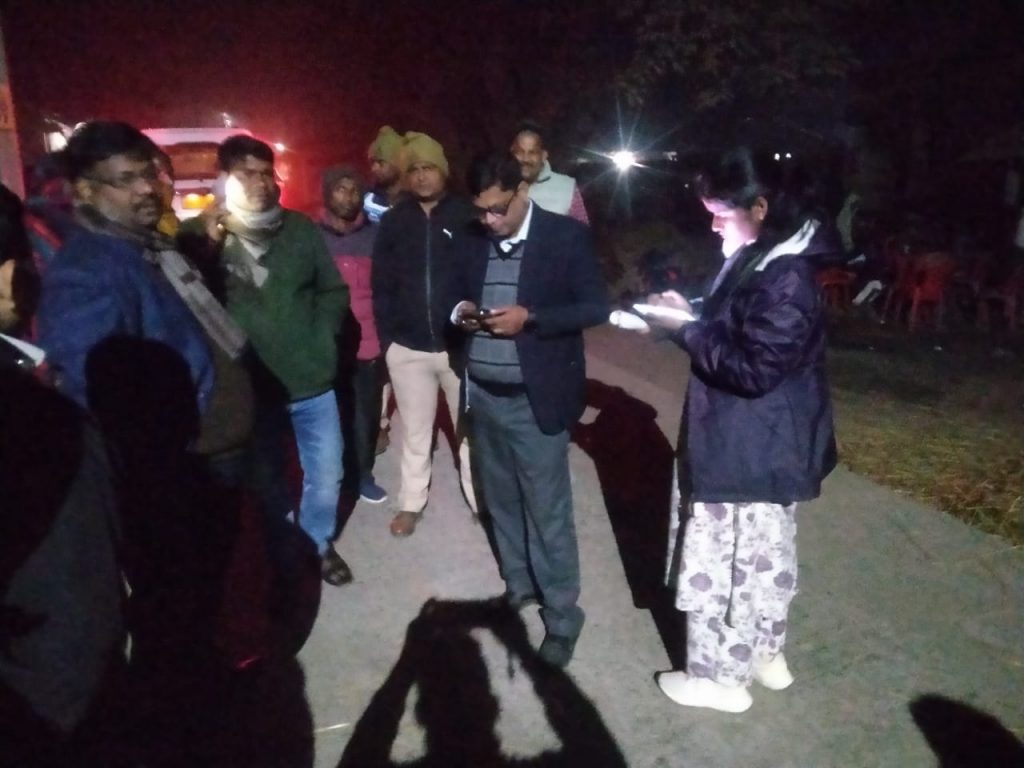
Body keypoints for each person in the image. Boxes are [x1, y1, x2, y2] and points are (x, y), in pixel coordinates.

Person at [639, 147, 838, 713]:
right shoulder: (766, 254)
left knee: (728, 566)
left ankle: (720, 680)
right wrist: (689, 313)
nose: (713, 224)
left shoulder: (787, 273)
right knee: (760, 560)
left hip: (748, 447)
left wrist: (686, 330)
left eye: (720, 213)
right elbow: (737, 322)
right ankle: (764, 655)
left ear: (760, 207)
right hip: (756, 443)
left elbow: (755, 368)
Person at [451, 151, 609, 667]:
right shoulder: (474, 237)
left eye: (498, 209)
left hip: (534, 400)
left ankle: (562, 617)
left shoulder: (565, 237)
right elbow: (454, 292)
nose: (489, 220)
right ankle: (519, 584)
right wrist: (461, 310)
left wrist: (532, 317)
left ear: (522, 191)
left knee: (547, 513)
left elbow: (595, 307)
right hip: (484, 396)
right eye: (481, 210)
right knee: (502, 500)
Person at [183, 134, 353, 586]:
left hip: (310, 377)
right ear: (224, 179)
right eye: (246, 174)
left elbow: (332, 290)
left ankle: (317, 544)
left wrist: (322, 338)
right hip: (251, 388)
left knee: (327, 474)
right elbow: (188, 304)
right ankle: (284, 563)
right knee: (271, 485)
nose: (260, 183)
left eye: (265, 173)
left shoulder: (298, 229)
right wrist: (206, 248)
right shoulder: (198, 236)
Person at [371, 131, 477, 537]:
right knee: (415, 432)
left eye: (428, 167)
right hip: (409, 349)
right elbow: (382, 285)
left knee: (470, 432)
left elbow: (481, 277)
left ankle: (481, 500)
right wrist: (389, 342)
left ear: (443, 171)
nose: (421, 176)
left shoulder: (466, 216)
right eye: (413, 169)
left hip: (458, 347)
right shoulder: (395, 220)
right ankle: (411, 503)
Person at [318, 165, 387, 504]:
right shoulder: (311, 237)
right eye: (340, 189)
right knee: (328, 418)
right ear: (327, 193)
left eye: (354, 190)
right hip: (325, 344)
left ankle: (362, 475)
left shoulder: (376, 236)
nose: (348, 196)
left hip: (367, 343)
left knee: (365, 417)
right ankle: (332, 479)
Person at [510, 120, 589, 224]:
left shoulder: (566, 187)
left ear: (544, 155)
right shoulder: (500, 186)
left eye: (532, 152)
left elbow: (582, 229)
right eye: (520, 152)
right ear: (512, 151)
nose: (525, 159)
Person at [364, 125, 406, 224]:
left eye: (381, 162)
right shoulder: (367, 200)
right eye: (372, 163)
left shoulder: (419, 200)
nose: (374, 169)